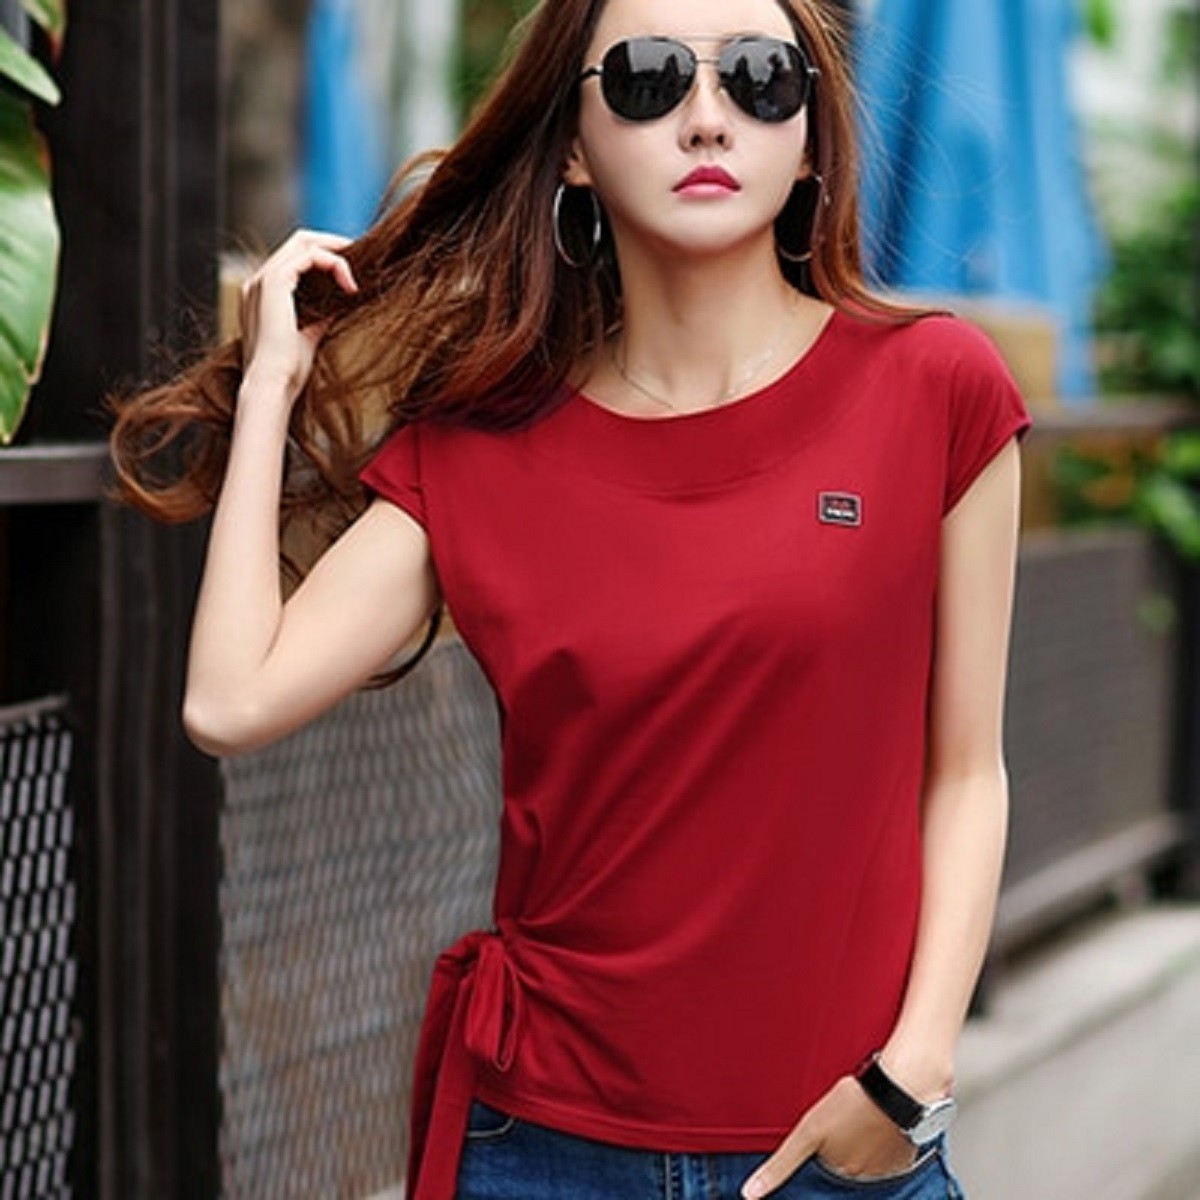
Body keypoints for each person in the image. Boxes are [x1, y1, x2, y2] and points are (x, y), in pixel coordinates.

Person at [109, 0, 1032, 1197]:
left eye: (760, 78)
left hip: (838, 1151)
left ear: (811, 140)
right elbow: (229, 702)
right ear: (572, 150)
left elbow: (965, 774)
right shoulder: (483, 453)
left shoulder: (937, 389)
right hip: (545, 1147)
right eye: (649, 77)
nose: (709, 118)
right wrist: (273, 386)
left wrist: (910, 1080)